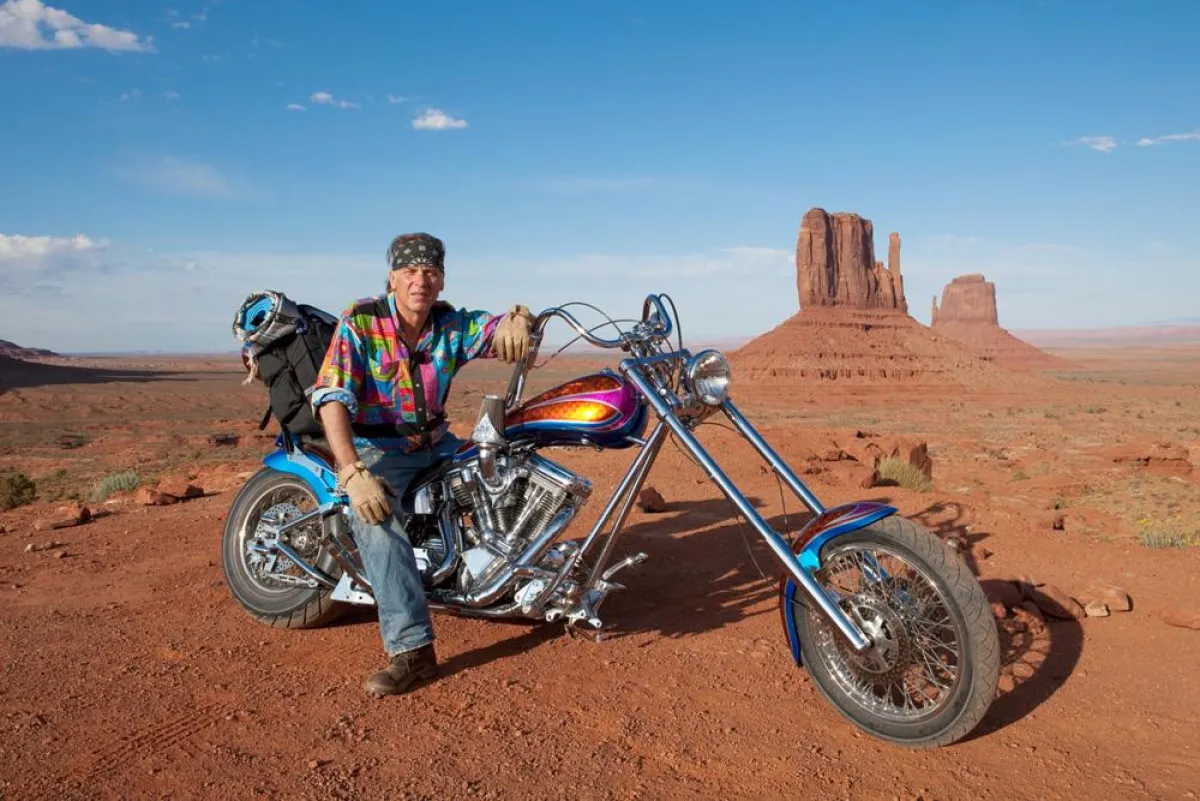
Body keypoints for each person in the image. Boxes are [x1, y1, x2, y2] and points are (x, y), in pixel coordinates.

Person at [310, 232, 533, 697]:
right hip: (378, 449)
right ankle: (412, 649)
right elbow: (330, 396)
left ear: (442, 278)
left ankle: (511, 576)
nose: (420, 281)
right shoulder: (362, 320)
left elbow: (493, 331)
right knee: (377, 517)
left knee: (509, 472)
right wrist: (352, 471)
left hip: (436, 442)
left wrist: (518, 318)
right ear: (392, 277)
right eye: (410, 272)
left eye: (430, 272)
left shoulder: (449, 323)